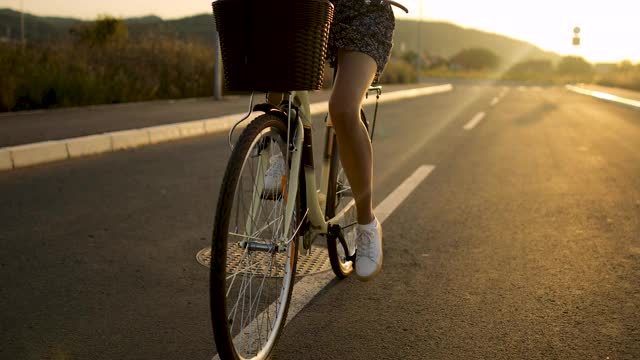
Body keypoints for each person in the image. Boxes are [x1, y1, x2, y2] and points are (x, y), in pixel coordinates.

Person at [269, 0, 397, 281]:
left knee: (342, 108)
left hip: (364, 14)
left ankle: (366, 224)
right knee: (274, 75)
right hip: (312, 10)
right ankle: (278, 155)